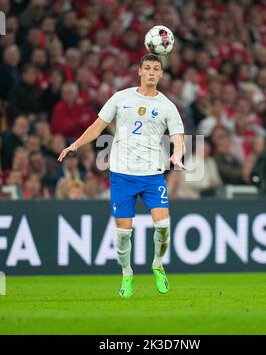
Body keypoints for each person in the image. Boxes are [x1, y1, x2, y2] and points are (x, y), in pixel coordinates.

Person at [58, 53, 186, 298]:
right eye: (146, 67)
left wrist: (177, 155)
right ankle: (127, 274)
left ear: (160, 74)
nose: (150, 72)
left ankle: (158, 265)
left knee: (163, 226)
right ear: (139, 71)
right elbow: (98, 126)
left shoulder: (167, 106)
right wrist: (75, 144)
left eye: (155, 69)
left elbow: (178, 137)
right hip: (122, 174)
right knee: (123, 233)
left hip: (152, 175)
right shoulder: (120, 98)